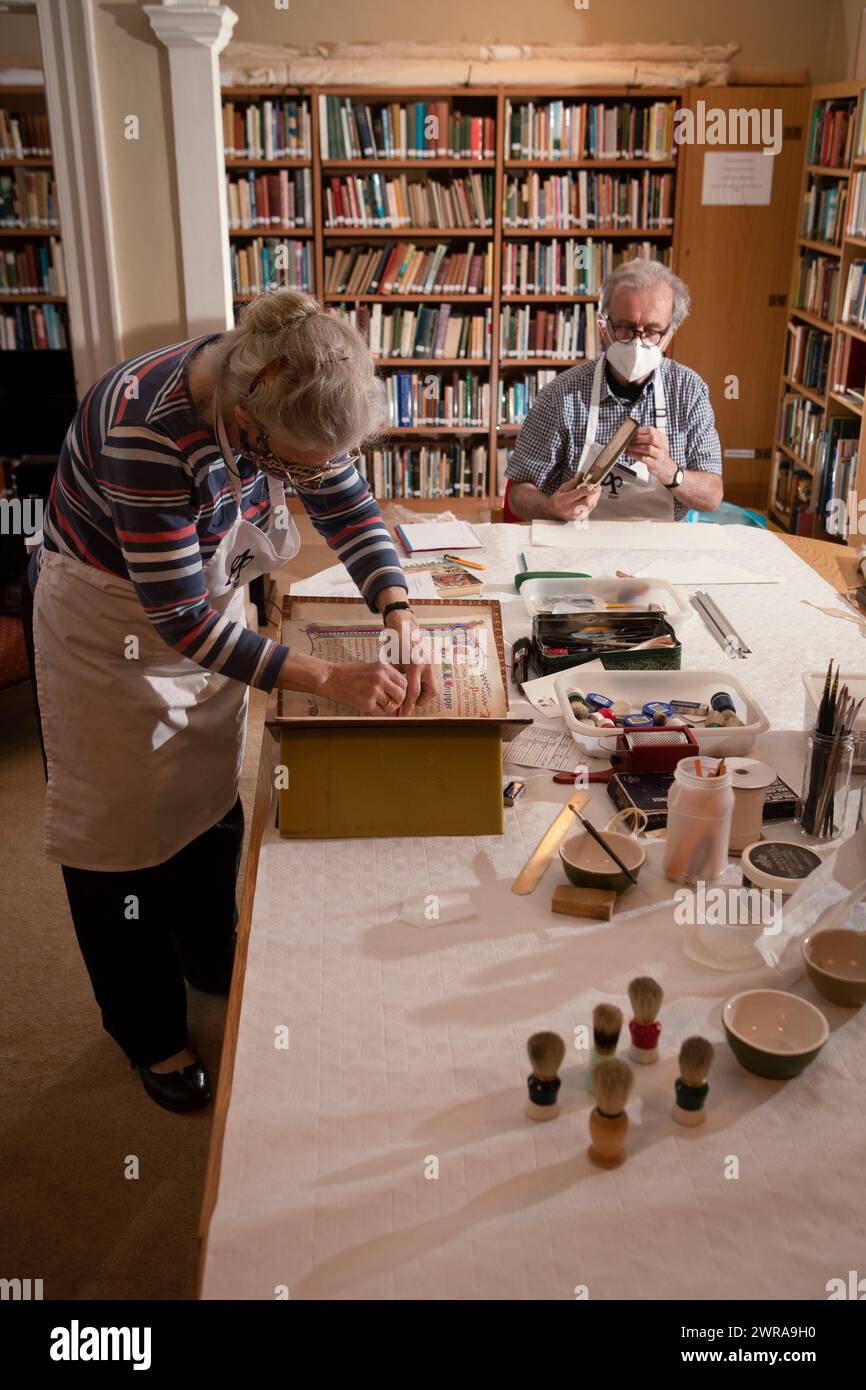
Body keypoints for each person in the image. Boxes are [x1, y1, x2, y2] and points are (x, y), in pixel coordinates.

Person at [21, 290, 436, 1113]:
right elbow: (177, 617)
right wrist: (324, 679)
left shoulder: (297, 381)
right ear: (244, 420)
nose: (304, 478)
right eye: (289, 461)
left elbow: (347, 506)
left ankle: (208, 951)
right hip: (112, 621)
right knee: (120, 832)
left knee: (208, 786)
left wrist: (398, 608)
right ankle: (150, 1034)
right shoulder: (147, 431)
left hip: (199, 592)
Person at [505, 258, 724, 523]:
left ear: (668, 335)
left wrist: (671, 471)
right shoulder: (561, 394)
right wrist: (552, 507)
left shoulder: (689, 391)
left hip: (661, 547)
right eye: (624, 328)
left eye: (652, 331)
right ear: (604, 327)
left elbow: (712, 497)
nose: (637, 342)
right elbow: (518, 495)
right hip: (578, 541)